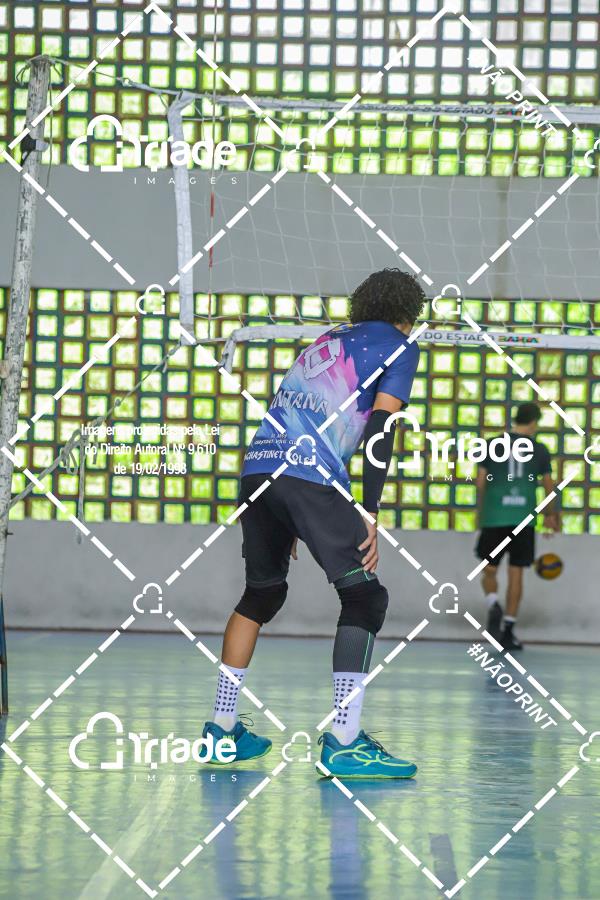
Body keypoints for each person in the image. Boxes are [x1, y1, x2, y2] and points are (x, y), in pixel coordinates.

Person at [202, 268, 425, 778]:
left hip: (260, 468)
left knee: (261, 595)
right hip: (309, 476)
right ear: (408, 315)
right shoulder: (399, 346)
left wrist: (287, 509)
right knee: (365, 597)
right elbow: (382, 427)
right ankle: (344, 741)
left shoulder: (325, 341)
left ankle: (222, 728)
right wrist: (369, 510)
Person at [475, 402, 560, 651]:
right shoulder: (540, 450)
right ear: (533, 422)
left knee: (489, 571)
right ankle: (509, 631)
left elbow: (480, 482)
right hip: (525, 518)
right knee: (516, 574)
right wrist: (551, 515)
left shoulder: (492, 444)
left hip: (495, 517)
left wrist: (482, 512)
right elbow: (548, 486)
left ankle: (493, 603)